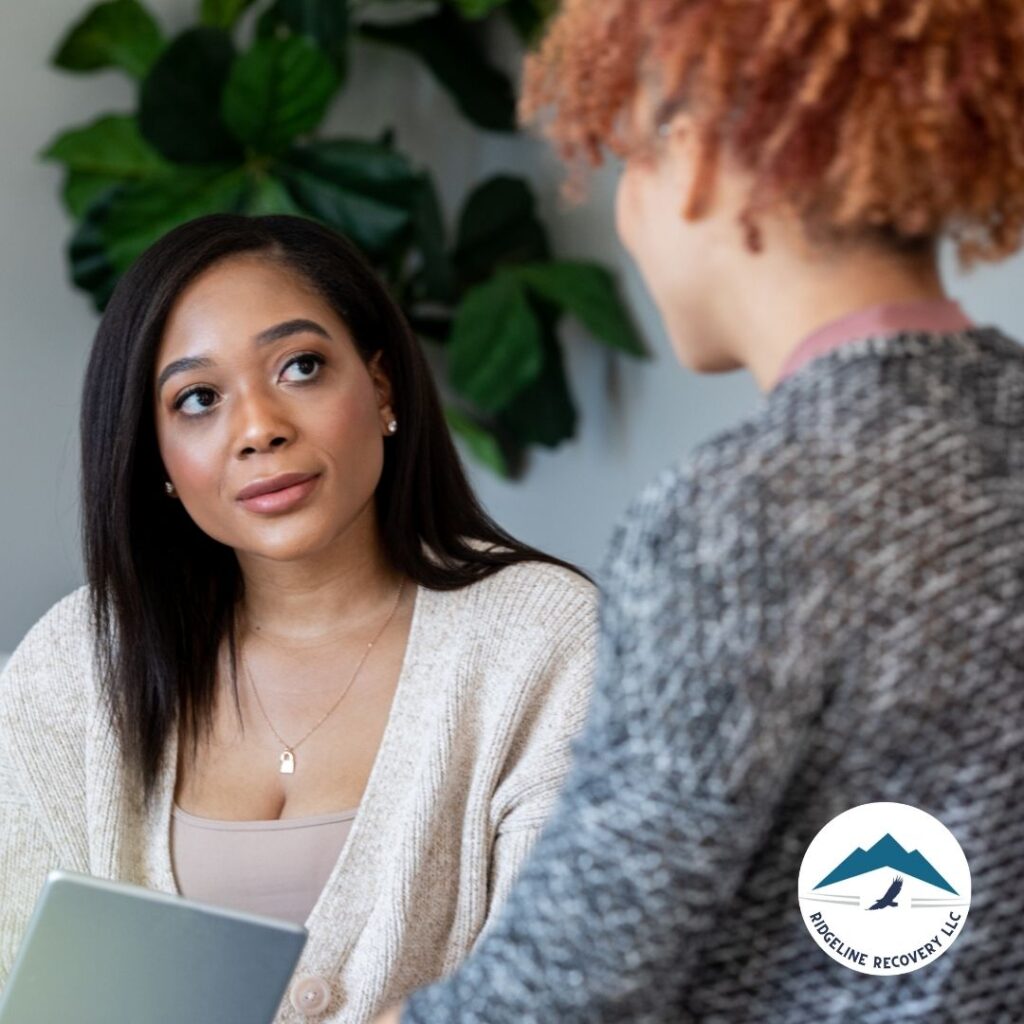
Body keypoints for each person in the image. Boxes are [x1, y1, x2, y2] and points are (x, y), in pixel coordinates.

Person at [373, 1, 1024, 1021]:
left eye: (627, 157)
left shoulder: (741, 514)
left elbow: (575, 974)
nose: (626, 213)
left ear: (701, 150)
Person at [0, 214, 599, 1022]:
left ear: (381, 387)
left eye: (301, 366)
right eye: (199, 399)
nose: (258, 430)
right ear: (157, 457)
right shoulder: (77, 662)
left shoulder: (543, 639)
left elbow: (572, 981)